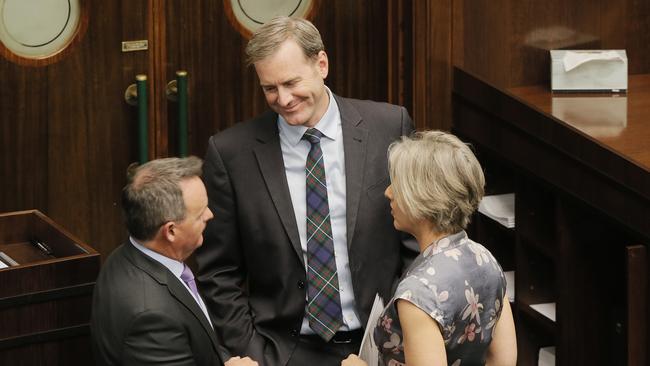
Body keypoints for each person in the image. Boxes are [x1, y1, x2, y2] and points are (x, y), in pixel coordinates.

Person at [194, 16, 415, 366]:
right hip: (282, 351)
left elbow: (416, 243)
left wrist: (399, 338)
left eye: (291, 82)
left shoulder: (389, 127)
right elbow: (218, 271)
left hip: (378, 344)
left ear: (321, 64)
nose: (283, 99)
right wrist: (251, 350)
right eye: (270, 89)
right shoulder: (231, 154)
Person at [342, 131, 517, 366]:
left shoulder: (417, 294)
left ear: (423, 198)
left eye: (398, 184)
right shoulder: (485, 258)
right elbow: (503, 360)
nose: (388, 192)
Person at [91, 157, 257, 366]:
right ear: (170, 230)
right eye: (199, 214)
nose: (210, 214)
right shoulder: (152, 318)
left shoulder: (126, 254)